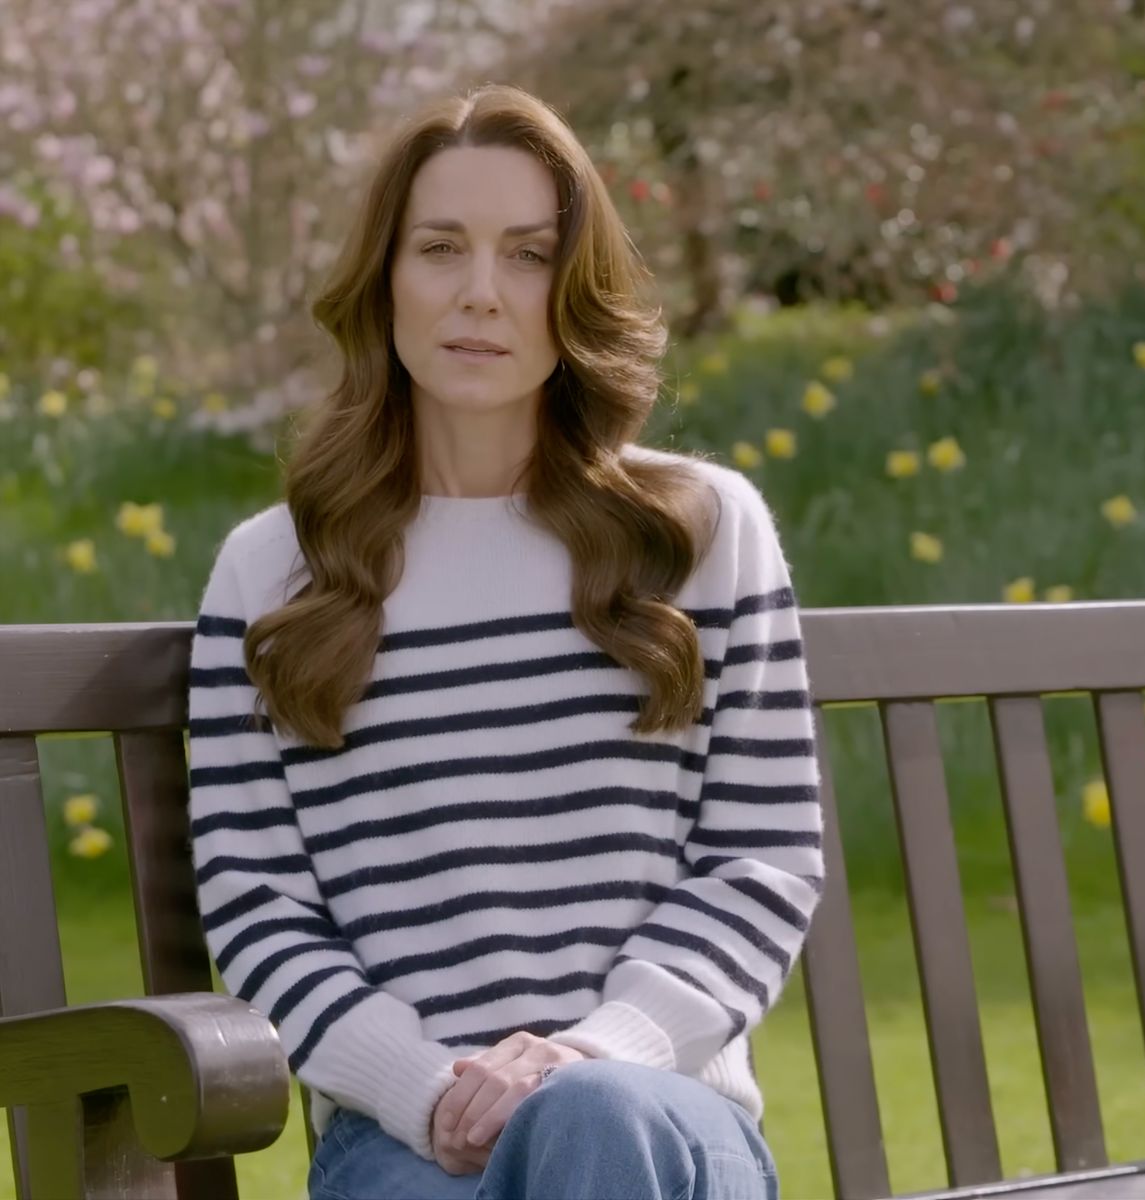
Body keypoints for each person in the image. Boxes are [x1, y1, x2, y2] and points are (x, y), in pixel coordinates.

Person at [187, 82, 823, 1200]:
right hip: (399, 1141)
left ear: (574, 290)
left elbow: (759, 858)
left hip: (661, 1117)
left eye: (528, 256)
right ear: (384, 279)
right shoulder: (273, 572)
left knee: (591, 1124)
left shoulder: (699, 535)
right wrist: (430, 1087)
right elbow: (260, 907)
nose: (482, 293)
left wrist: (594, 1052)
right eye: (441, 247)